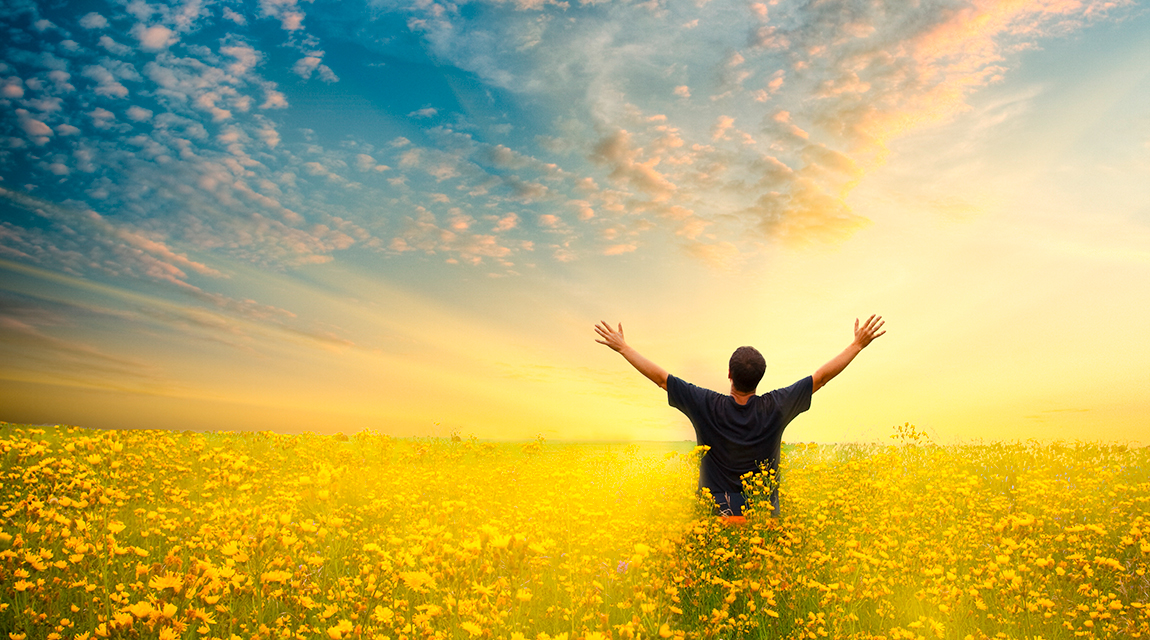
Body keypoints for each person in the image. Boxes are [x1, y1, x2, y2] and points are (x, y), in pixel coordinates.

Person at [594, 315, 885, 520]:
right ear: (759, 379)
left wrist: (623, 347)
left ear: (730, 374)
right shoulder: (777, 406)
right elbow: (820, 378)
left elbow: (660, 378)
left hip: (715, 513)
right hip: (762, 515)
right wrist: (857, 345)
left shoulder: (705, 403)